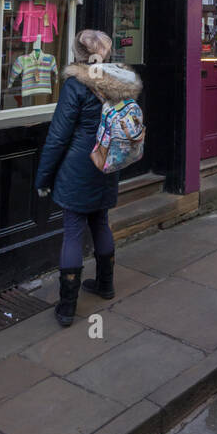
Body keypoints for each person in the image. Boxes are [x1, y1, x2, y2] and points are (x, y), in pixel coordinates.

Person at [35, 29, 143, 326]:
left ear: (79, 54)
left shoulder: (75, 86)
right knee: (100, 221)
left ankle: (67, 307)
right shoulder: (119, 83)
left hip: (77, 168)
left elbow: (58, 137)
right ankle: (105, 284)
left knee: (72, 230)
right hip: (106, 163)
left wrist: (43, 178)